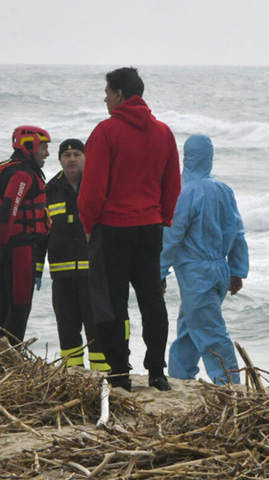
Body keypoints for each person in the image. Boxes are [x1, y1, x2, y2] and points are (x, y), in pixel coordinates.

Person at [79, 67, 181, 392]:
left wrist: (87, 224)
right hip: (150, 227)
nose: (104, 97)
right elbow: (172, 185)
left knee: (112, 302)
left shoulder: (106, 132)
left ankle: (120, 371)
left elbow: (92, 188)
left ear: (120, 95)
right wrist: (162, 217)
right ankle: (156, 372)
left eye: (107, 91)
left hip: (112, 228)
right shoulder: (163, 132)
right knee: (152, 298)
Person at [160, 135, 249, 385]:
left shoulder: (185, 192)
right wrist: (237, 270)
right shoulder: (223, 189)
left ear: (186, 156)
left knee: (210, 332)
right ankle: (180, 377)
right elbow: (238, 232)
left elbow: (172, 235)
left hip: (196, 272)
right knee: (190, 327)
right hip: (220, 268)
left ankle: (230, 384)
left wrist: (159, 270)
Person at [45, 139, 108, 371]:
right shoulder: (49, 190)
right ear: (60, 159)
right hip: (62, 277)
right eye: (66, 154)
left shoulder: (98, 186)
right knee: (67, 329)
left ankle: (102, 376)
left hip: (94, 275)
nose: (71, 158)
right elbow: (42, 234)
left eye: (77, 154)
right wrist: (36, 269)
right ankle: (72, 375)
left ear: (86, 157)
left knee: (97, 328)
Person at [0, 126, 51, 345]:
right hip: (18, 249)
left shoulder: (6, 168)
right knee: (19, 307)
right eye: (44, 147)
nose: (47, 153)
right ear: (29, 145)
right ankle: (11, 358)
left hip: (9, 249)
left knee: (3, 305)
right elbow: (8, 212)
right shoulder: (21, 174)